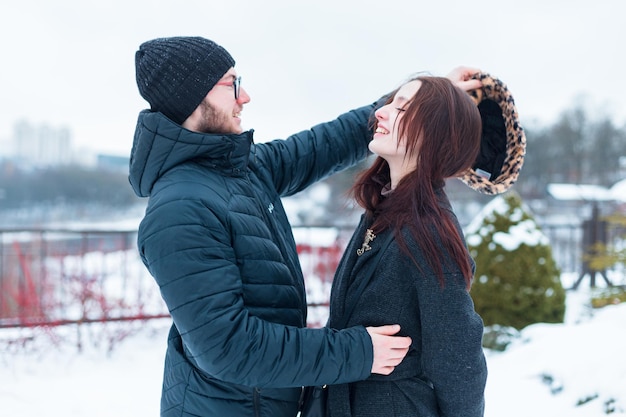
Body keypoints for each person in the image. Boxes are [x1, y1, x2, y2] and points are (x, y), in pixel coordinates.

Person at [129, 36, 480, 417]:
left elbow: (321, 145)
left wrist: (437, 105)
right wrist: (357, 352)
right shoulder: (181, 207)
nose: (244, 96)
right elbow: (226, 347)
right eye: (231, 83)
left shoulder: (239, 171)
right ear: (193, 97)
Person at [326, 76, 489, 417]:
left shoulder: (430, 230)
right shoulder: (382, 209)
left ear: (435, 133)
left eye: (401, 107)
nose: (381, 113)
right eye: (390, 103)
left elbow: (457, 357)